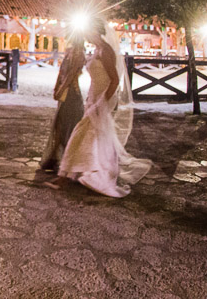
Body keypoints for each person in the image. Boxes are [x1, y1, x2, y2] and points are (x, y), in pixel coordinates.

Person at [57, 18, 151, 197]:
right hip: (93, 97)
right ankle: (87, 171)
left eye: (86, 32)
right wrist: (91, 98)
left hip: (104, 99)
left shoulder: (106, 51)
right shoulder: (97, 50)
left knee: (81, 133)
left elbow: (114, 80)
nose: (84, 36)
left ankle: (67, 174)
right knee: (97, 138)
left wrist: (102, 102)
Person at [39, 34, 85, 172]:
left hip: (72, 94)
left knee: (67, 125)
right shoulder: (69, 52)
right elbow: (61, 72)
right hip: (65, 92)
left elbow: (71, 75)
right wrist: (56, 87)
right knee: (59, 124)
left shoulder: (79, 55)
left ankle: (64, 158)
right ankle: (54, 157)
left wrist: (61, 88)